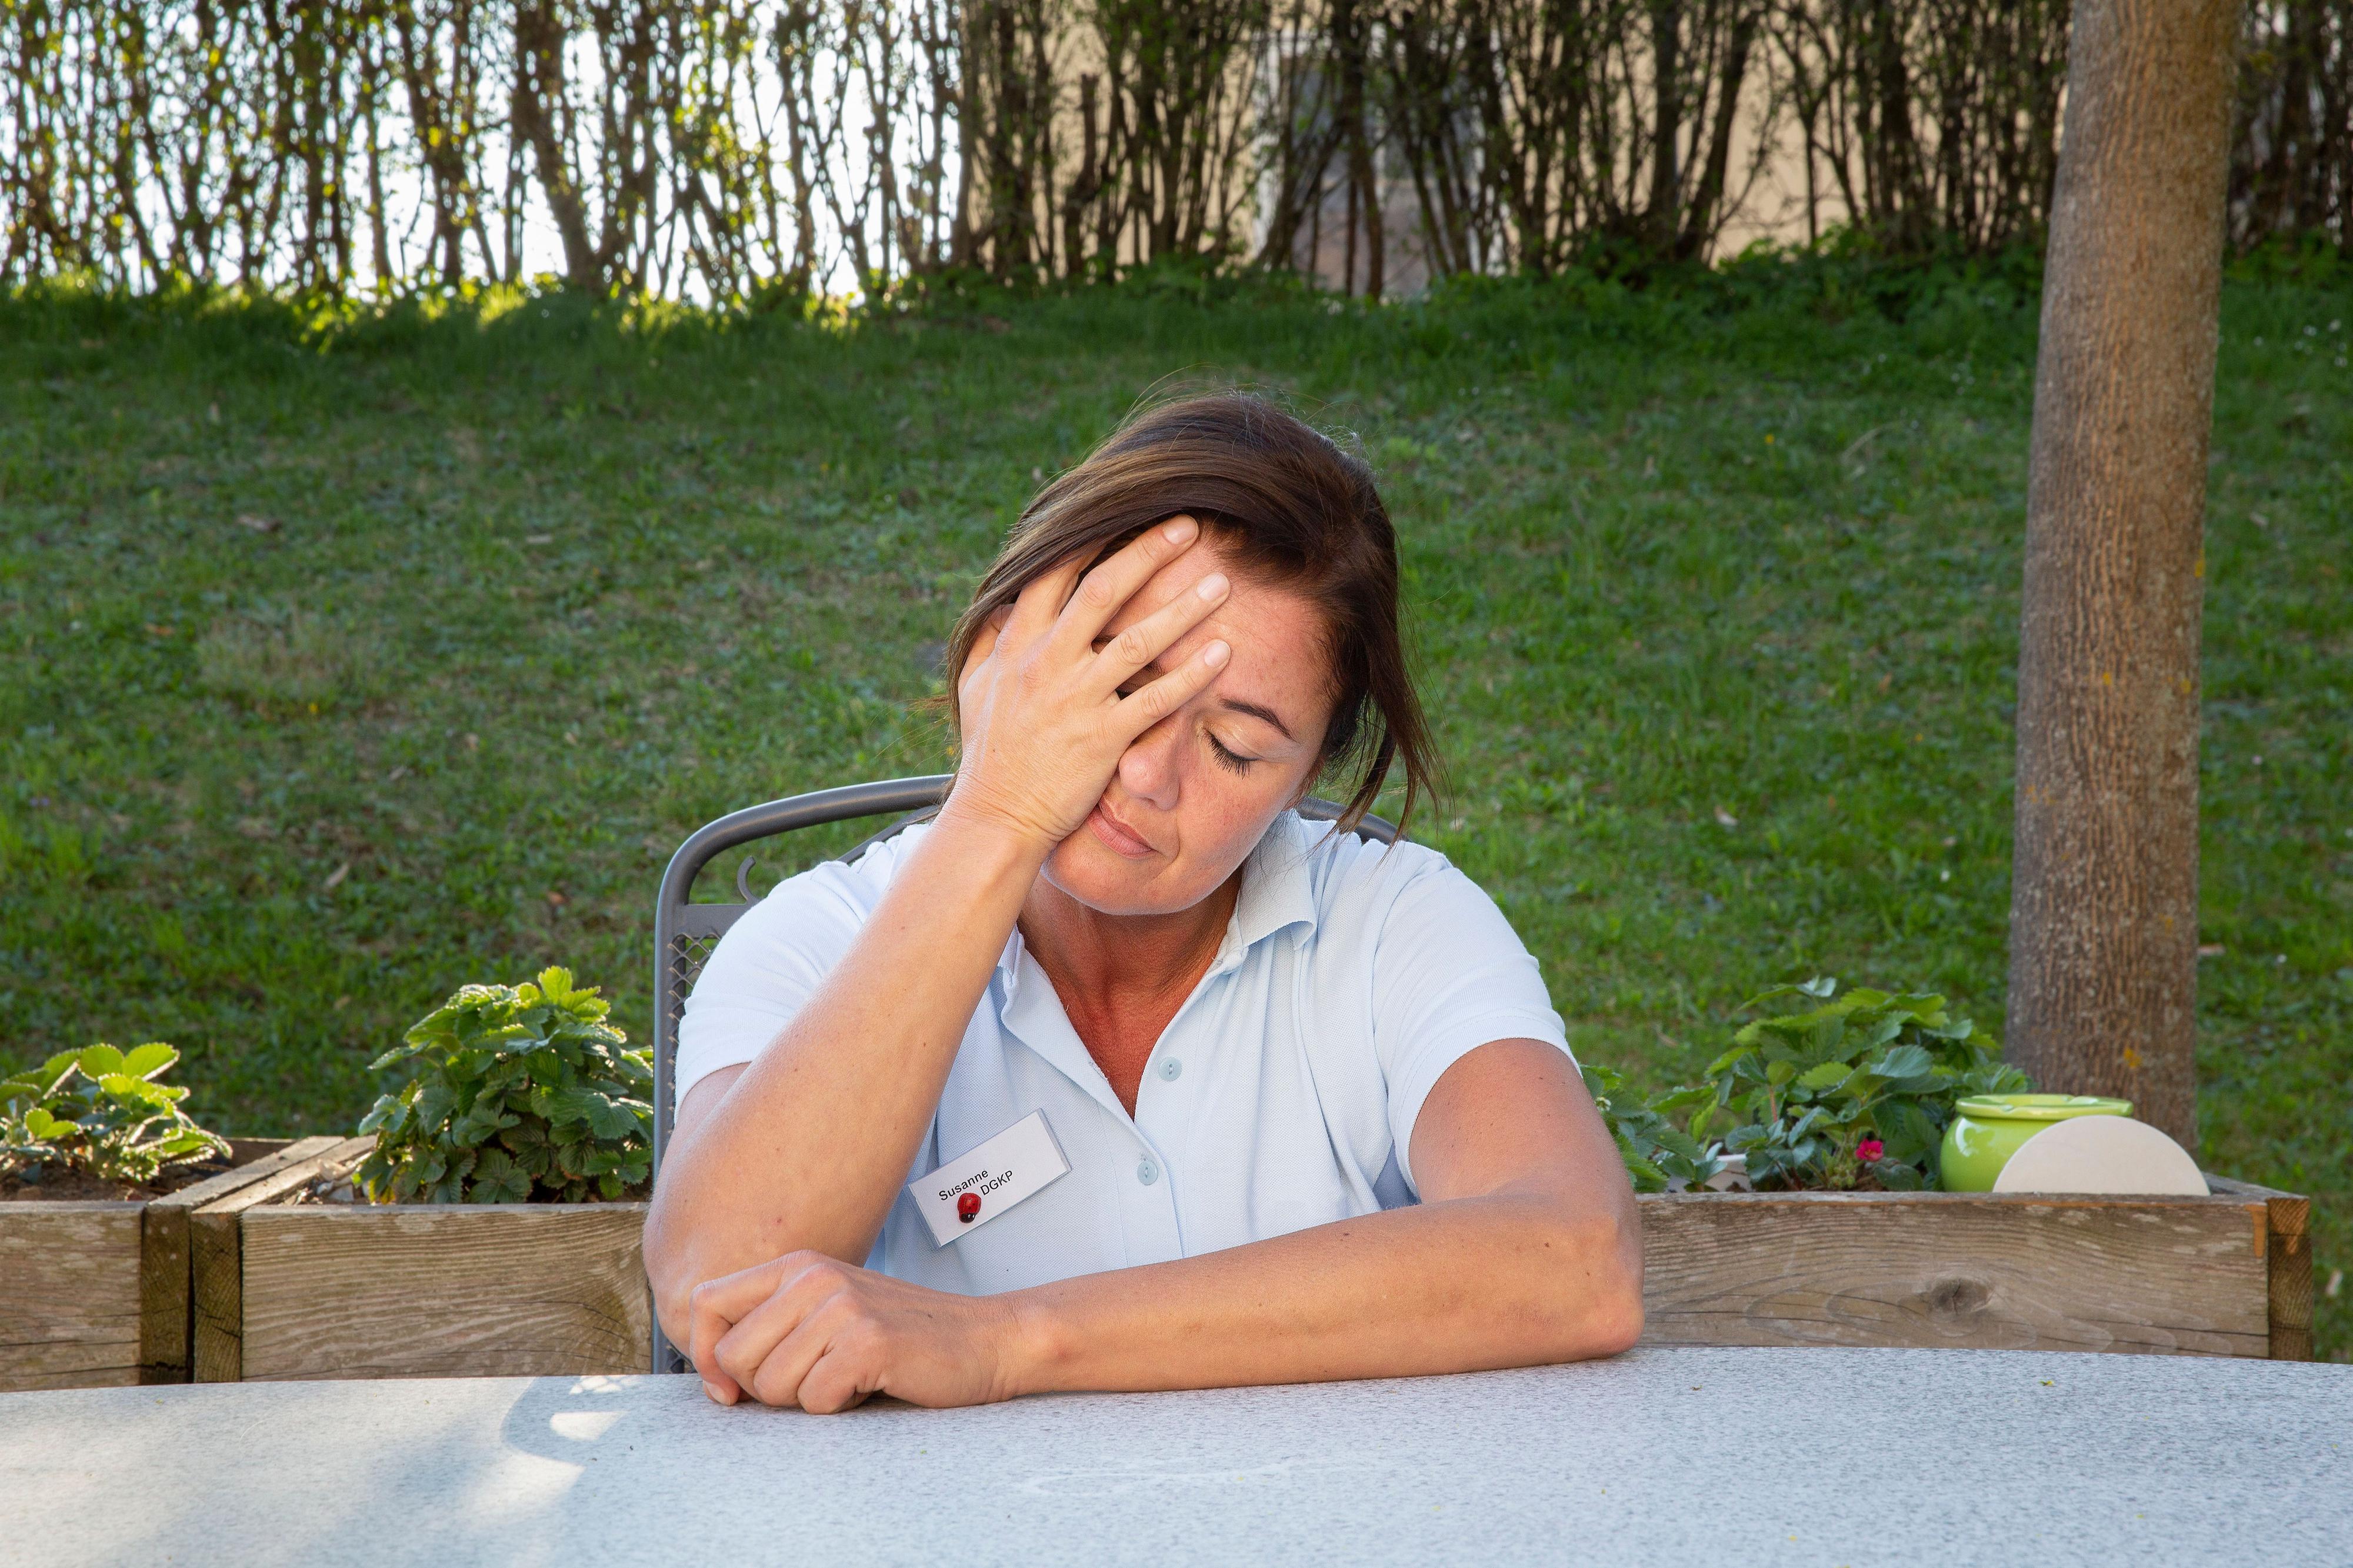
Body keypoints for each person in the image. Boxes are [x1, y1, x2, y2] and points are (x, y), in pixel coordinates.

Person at [643, 392, 1642, 1412]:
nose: (1152, 776)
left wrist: (1006, 1342)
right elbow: (715, 1283)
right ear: (1010, 644)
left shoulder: (1394, 922)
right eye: (1123, 684)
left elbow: (1576, 1257)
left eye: (1235, 748)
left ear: (1304, 780)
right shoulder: (820, 939)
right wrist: (996, 814)